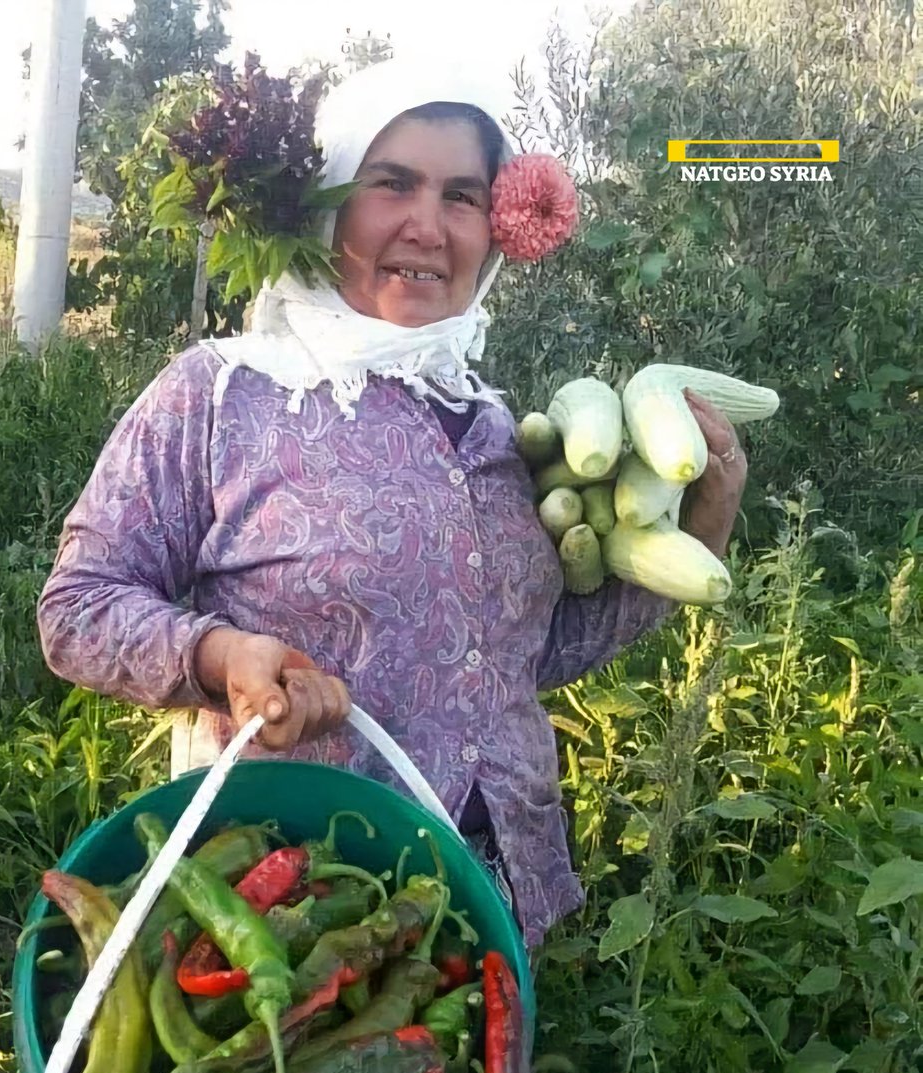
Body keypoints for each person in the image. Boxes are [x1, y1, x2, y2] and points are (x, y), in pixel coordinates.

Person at [37, 57, 748, 950]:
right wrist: (222, 655)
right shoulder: (223, 396)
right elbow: (77, 609)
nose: (428, 224)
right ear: (330, 202)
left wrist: (703, 528)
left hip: (488, 909)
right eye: (391, 183)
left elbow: (523, 661)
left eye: (461, 195)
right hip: (298, 905)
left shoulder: (491, 424)